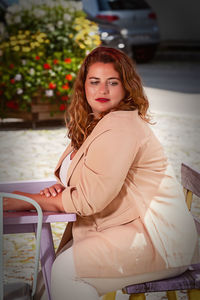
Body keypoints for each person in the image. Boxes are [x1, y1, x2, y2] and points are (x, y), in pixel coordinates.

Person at [3, 47, 198, 300]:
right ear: (83, 86)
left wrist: (27, 199)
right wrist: (64, 191)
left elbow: (89, 200)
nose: (102, 90)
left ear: (126, 87)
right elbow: (95, 180)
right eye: (94, 82)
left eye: (112, 83)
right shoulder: (95, 121)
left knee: (64, 272)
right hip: (121, 228)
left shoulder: (121, 125)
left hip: (158, 240)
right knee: (47, 279)